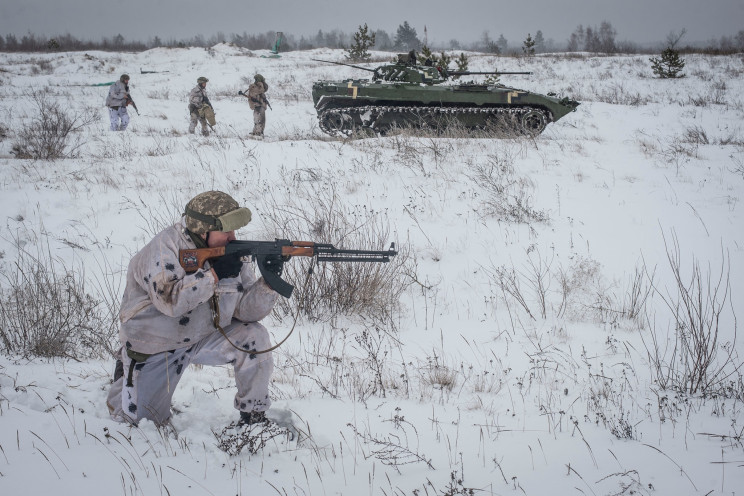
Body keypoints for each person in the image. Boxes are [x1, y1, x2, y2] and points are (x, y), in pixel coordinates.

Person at [106, 191, 285, 427]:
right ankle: (128, 374)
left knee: (255, 336)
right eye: (226, 231)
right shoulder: (164, 249)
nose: (233, 237)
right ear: (203, 230)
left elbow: (245, 312)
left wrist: (269, 283)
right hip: (157, 344)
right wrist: (213, 275)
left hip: (203, 334)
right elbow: (169, 302)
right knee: (141, 424)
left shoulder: (230, 252)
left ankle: (254, 418)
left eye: (234, 231)